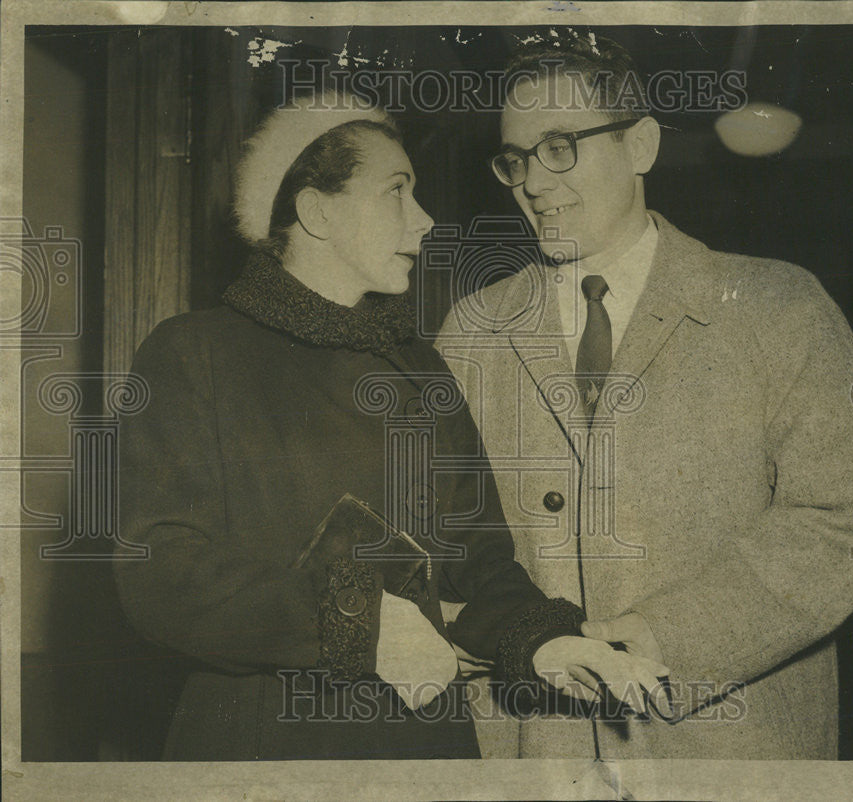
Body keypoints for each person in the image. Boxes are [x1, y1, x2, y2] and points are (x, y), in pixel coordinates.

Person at [114, 90, 668, 761]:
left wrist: (549, 642)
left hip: (422, 743)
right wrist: (363, 626)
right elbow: (163, 576)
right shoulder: (193, 352)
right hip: (259, 745)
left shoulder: (421, 369)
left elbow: (481, 565)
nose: (426, 221)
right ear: (316, 212)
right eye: (397, 193)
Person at [435, 33, 853, 759]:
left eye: (560, 146)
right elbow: (437, 534)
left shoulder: (779, 307)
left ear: (641, 145)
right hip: (537, 748)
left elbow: (842, 520)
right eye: (516, 159)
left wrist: (667, 635)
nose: (533, 181)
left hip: (726, 746)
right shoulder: (472, 331)